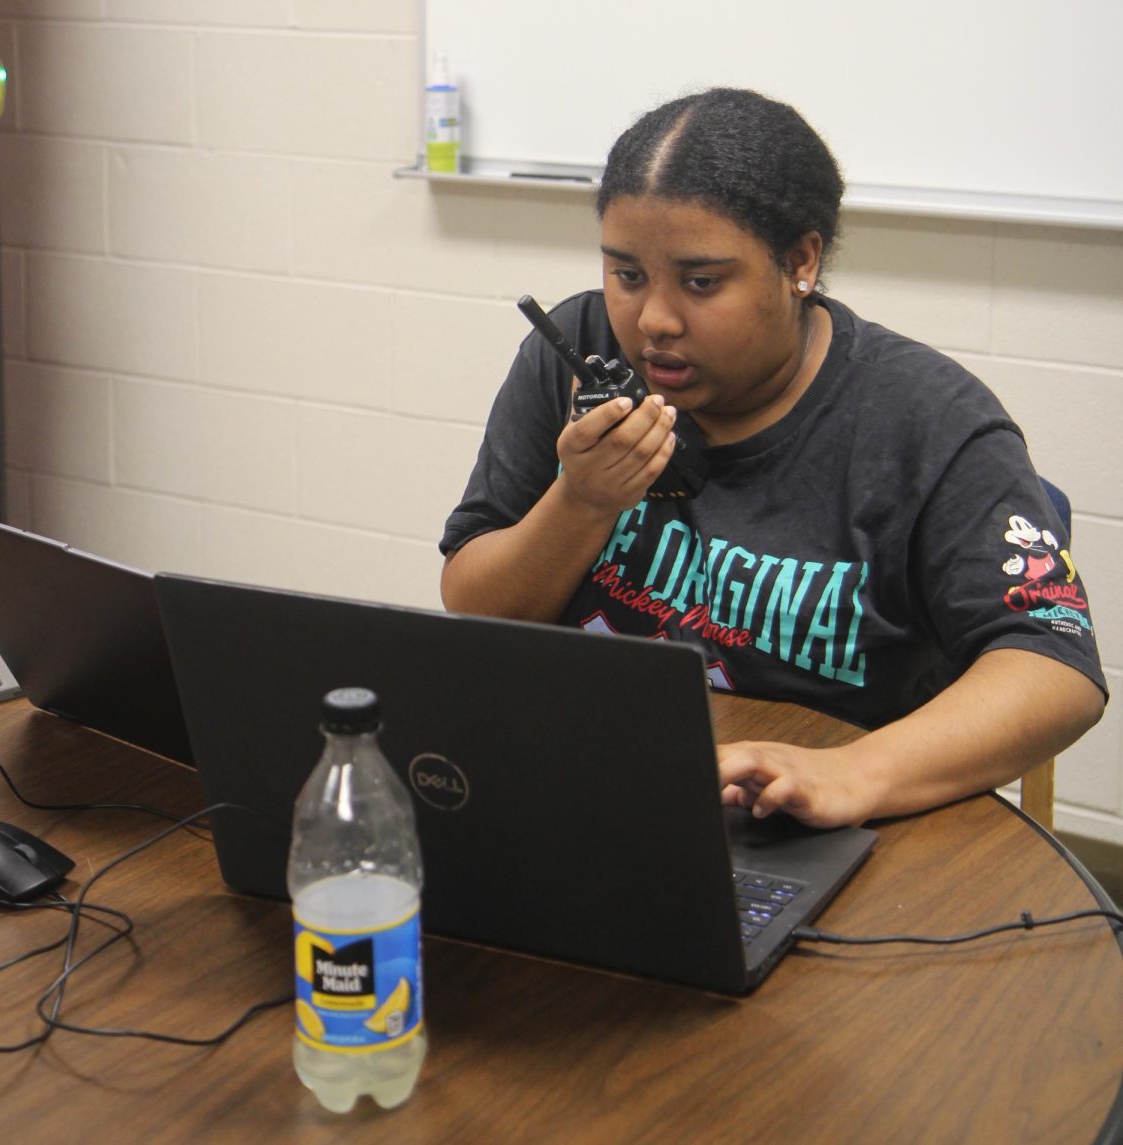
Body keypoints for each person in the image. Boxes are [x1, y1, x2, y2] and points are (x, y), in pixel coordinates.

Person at [438, 88, 1106, 829]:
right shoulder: (576, 354)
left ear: (800, 262)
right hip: (596, 789)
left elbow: (1055, 670)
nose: (653, 319)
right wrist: (582, 502)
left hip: (820, 822)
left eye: (701, 282)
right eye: (627, 275)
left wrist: (852, 772)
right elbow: (476, 606)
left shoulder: (926, 419)